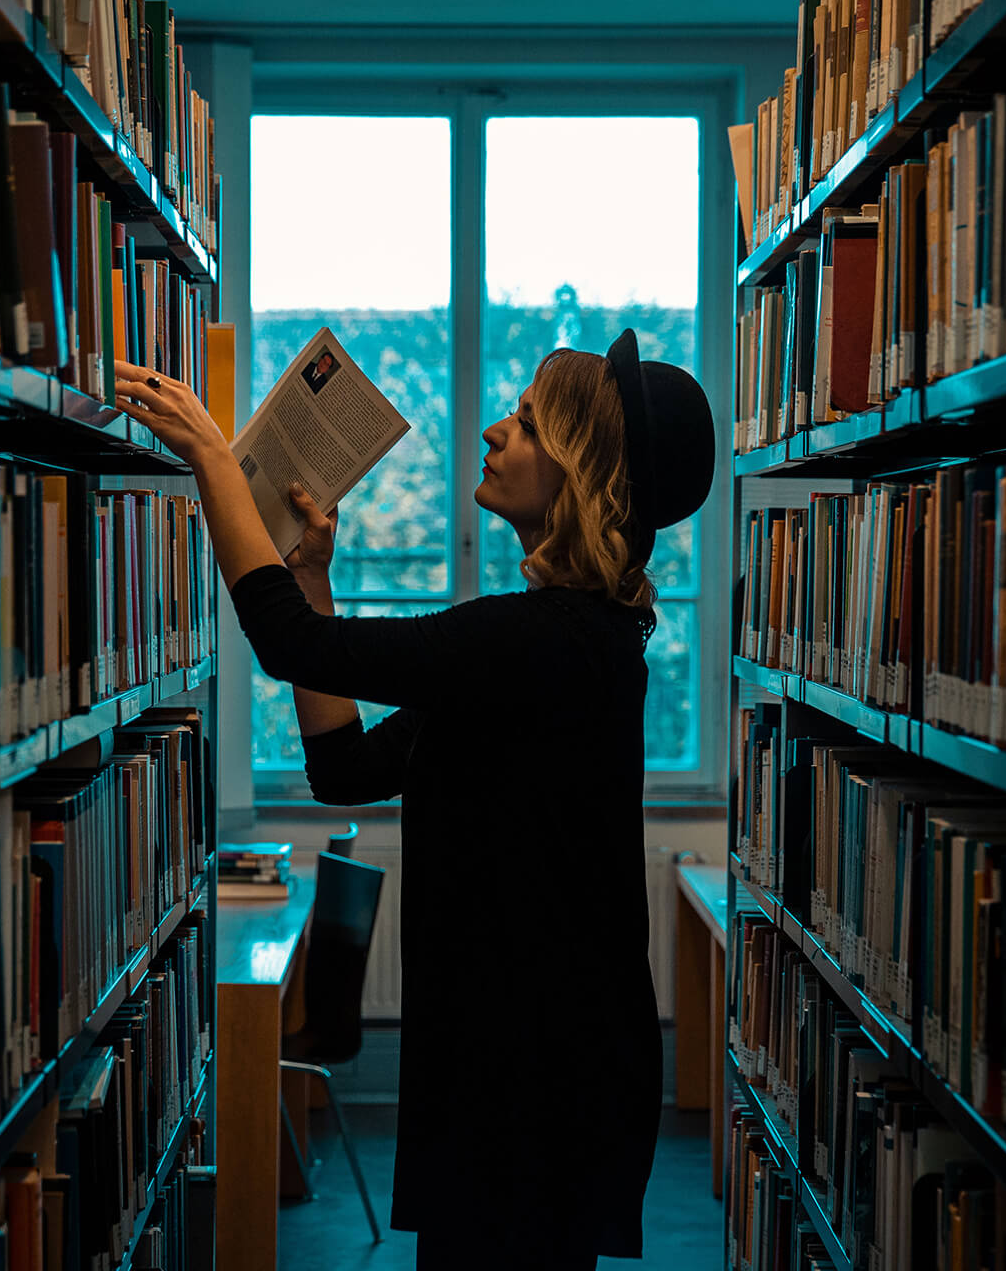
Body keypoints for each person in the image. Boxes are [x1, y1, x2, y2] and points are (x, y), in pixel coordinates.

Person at [110, 330, 715, 1271]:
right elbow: (344, 768)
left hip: (534, 1074)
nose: (488, 431)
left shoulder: (543, 642)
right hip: (508, 1055)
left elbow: (285, 647)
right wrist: (312, 578)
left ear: (578, 475)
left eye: (520, 423)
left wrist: (215, 463)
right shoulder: (557, 647)